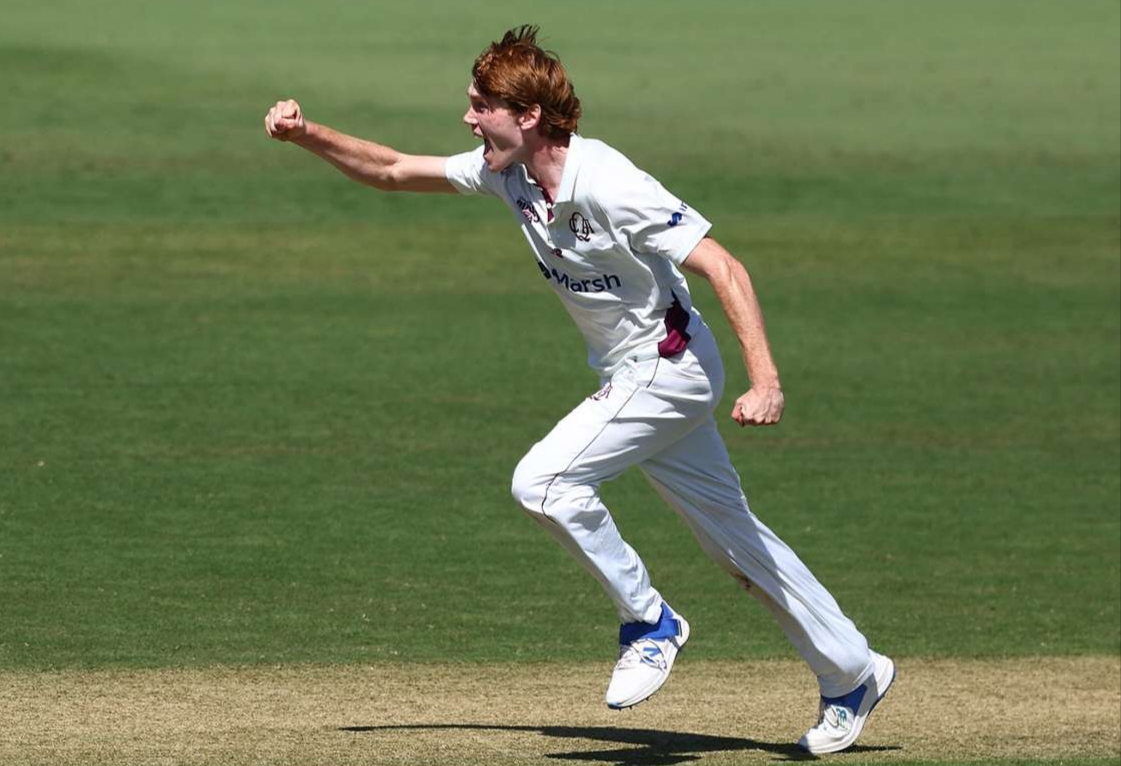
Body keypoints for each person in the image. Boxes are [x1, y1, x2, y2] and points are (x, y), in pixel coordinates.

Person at [264, 25, 894, 754]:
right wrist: (307, 133)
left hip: (668, 369)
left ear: (527, 116)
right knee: (734, 542)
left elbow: (723, 266)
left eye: (480, 107)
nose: (469, 119)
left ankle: (649, 620)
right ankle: (852, 670)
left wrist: (767, 383)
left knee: (543, 483)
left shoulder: (612, 185)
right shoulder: (508, 172)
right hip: (632, 372)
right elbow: (395, 170)